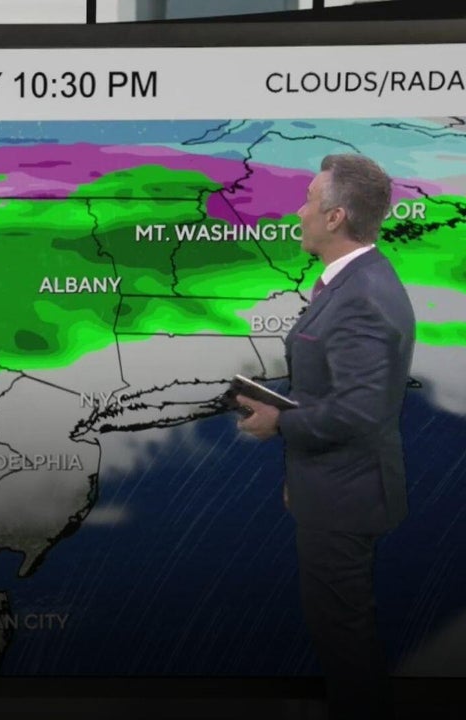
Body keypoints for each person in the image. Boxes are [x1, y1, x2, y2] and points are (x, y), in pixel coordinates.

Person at [235, 153, 415, 720]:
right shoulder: (354, 282)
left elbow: (360, 411)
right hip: (333, 487)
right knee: (341, 633)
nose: (299, 211)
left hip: (347, 496)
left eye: (310, 200)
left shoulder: (362, 297)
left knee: (345, 640)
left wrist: (279, 422)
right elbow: (338, 390)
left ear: (336, 217)